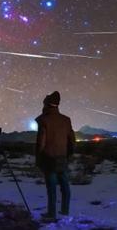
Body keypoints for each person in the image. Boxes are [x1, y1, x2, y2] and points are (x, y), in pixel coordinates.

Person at [35, 91, 75, 221]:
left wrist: (38, 157)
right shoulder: (66, 120)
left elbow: (41, 142)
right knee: (65, 186)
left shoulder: (44, 120)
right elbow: (72, 140)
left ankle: (51, 214)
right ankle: (65, 211)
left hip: (49, 159)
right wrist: (68, 155)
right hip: (62, 158)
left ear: (46, 104)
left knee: (51, 188)